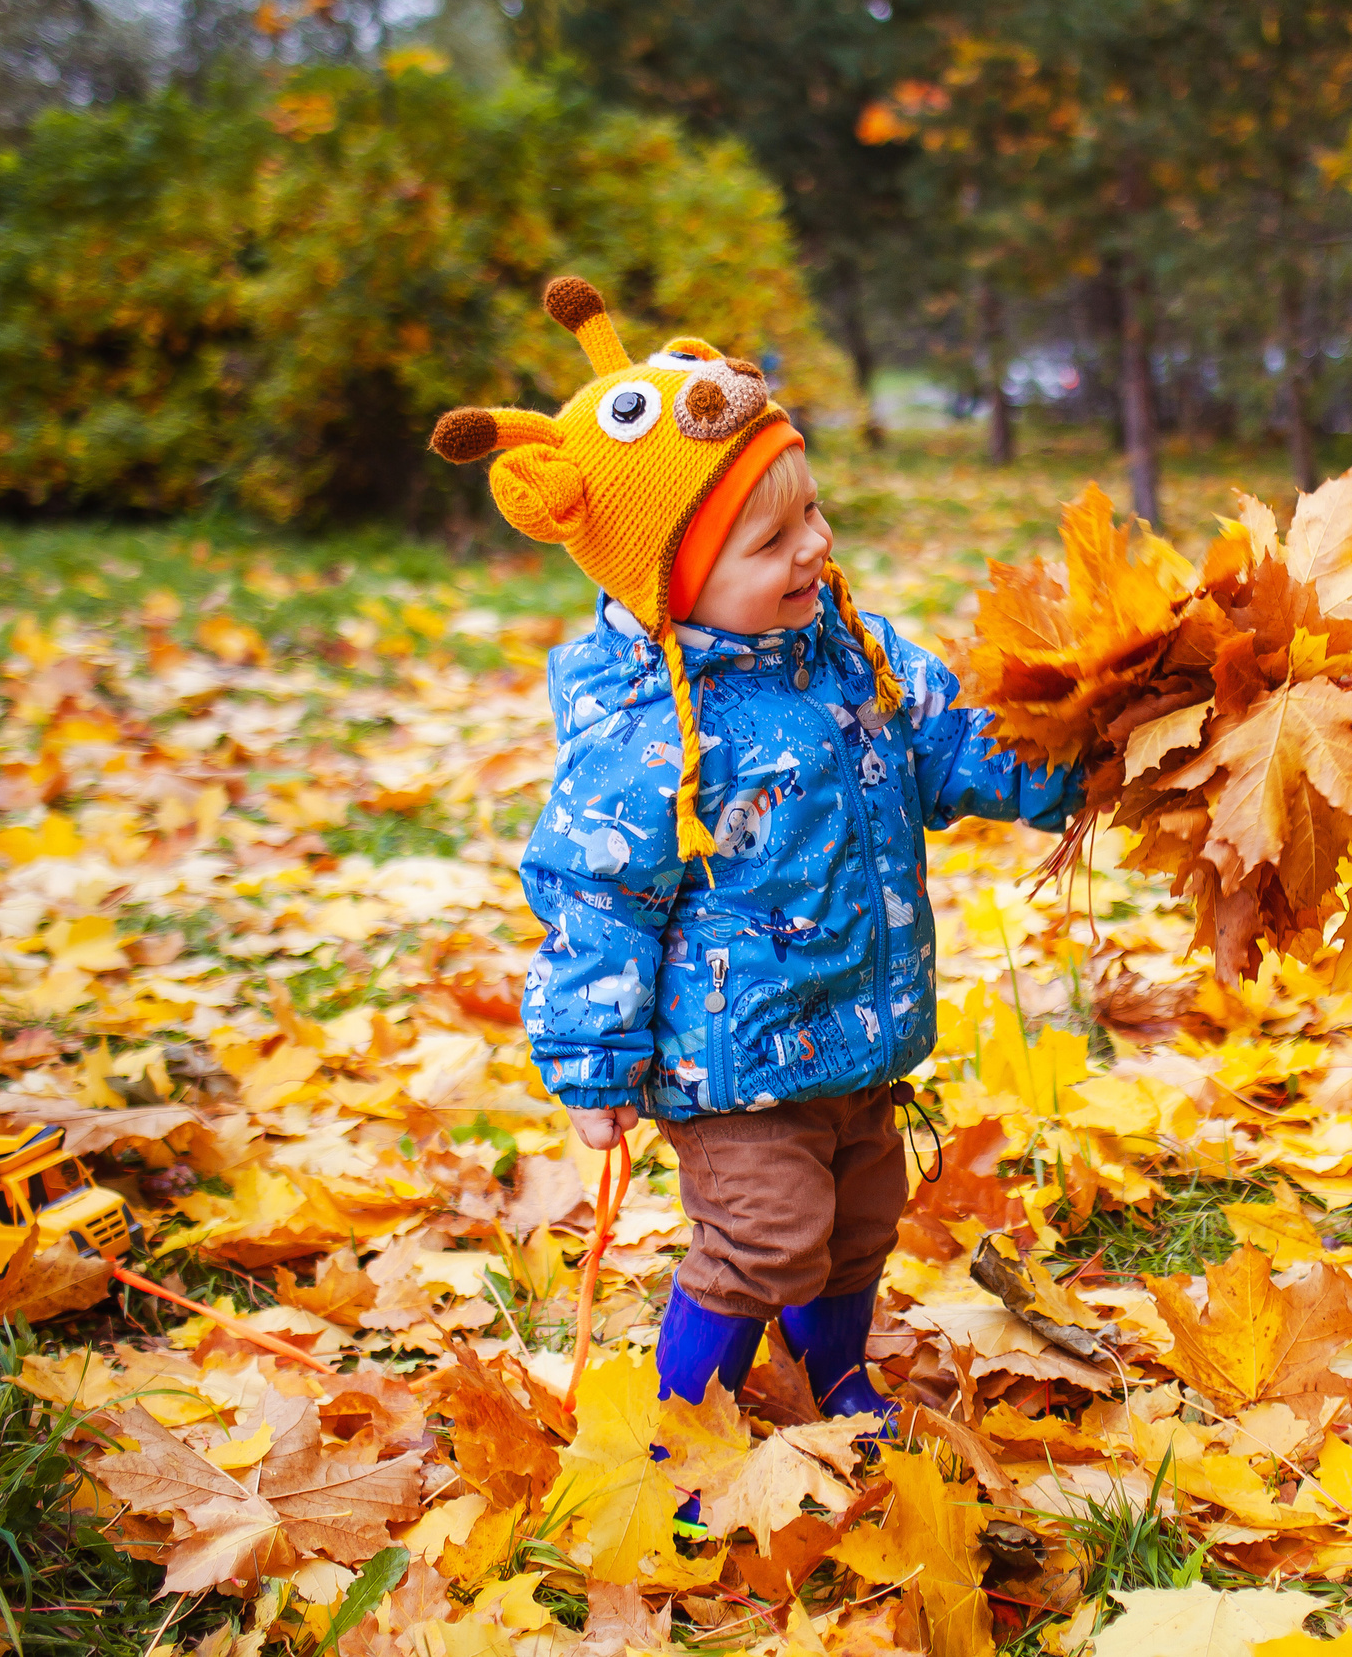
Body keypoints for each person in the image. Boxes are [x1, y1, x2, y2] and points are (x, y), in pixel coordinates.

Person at [429, 277, 1082, 1438]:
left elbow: (956, 745)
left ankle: (837, 1381)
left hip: (859, 1028)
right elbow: (599, 898)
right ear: (667, 579)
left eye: (813, 515)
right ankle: (686, 1426)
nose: (815, 549)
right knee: (766, 1235)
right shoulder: (648, 728)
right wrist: (592, 1063)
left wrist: (1071, 765)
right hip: (728, 1057)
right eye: (772, 539)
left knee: (859, 1218)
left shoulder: (854, 654)